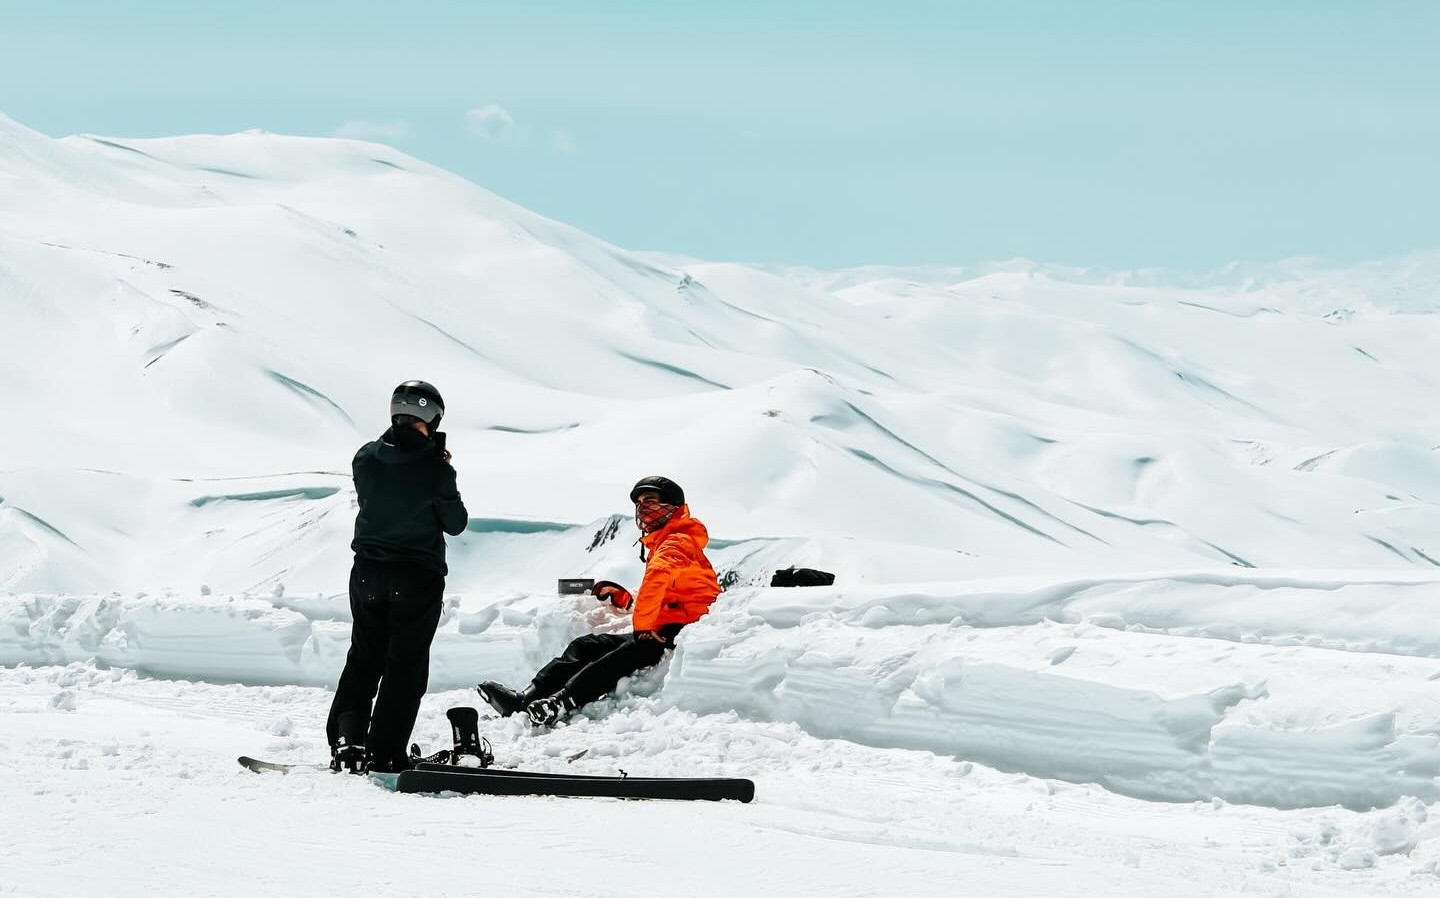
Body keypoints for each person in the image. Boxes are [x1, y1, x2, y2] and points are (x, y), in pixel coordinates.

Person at [477, 475, 721, 726]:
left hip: (684, 630)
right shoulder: (665, 543)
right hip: (664, 627)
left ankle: (562, 702)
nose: (642, 508)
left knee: (626, 653)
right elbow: (668, 593)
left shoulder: (677, 541)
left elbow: (659, 578)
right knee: (586, 645)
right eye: (639, 503)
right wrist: (626, 599)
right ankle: (526, 698)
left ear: (673, 507)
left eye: (650, 500)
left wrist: (644, 627)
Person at [326, 380, 468, 773]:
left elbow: (385, 484)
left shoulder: (364, 458)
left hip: (367, 574)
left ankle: (347, 741)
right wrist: (442, 467)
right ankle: (385, 751)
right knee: (404, 667)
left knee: (363, 658)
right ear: (432, 417)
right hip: (416, 577)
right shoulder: (436, 469)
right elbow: (455, 523)